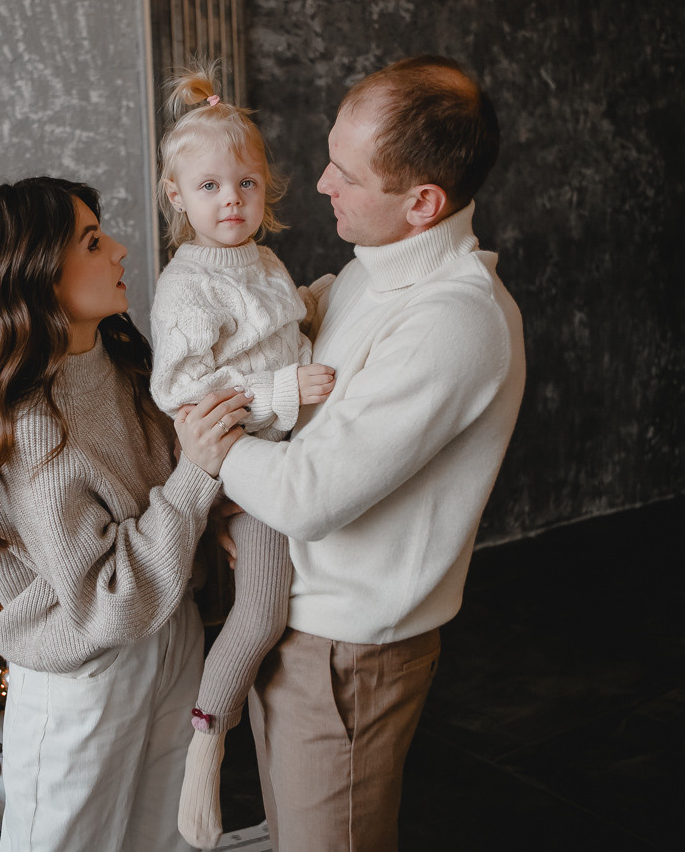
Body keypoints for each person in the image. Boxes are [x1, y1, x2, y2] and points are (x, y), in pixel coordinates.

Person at [216, 56, 526, 850]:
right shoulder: (367, 275)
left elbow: (310, 495)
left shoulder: (454, 321)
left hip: (348, 654)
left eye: (347, 174)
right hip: (295, 622)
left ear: (423, 203)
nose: (321, 183)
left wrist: (207, 438)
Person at [0, 176, 253, 852]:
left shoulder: (122, 359)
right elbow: (107, 596)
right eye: (92, 240)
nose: (118, 249)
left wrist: (215, 510)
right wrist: (197, 476)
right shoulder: (31, 427)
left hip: (172, 631)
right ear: (38, 274)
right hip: (88, 669)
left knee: (165, 840)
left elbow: (160, 496)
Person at [148, 65, 335, 849]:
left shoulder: (261, 262)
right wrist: (285, 391)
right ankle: (206, 737)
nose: (231, 200)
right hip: (245, 464)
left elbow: (280, 326)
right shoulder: (186, 286)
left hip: (286, 459)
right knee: (258, 611)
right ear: (177, 198)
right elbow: (190, 392)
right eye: (211, 187)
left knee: (288, 603)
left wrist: (330, 301)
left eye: (247, 183)